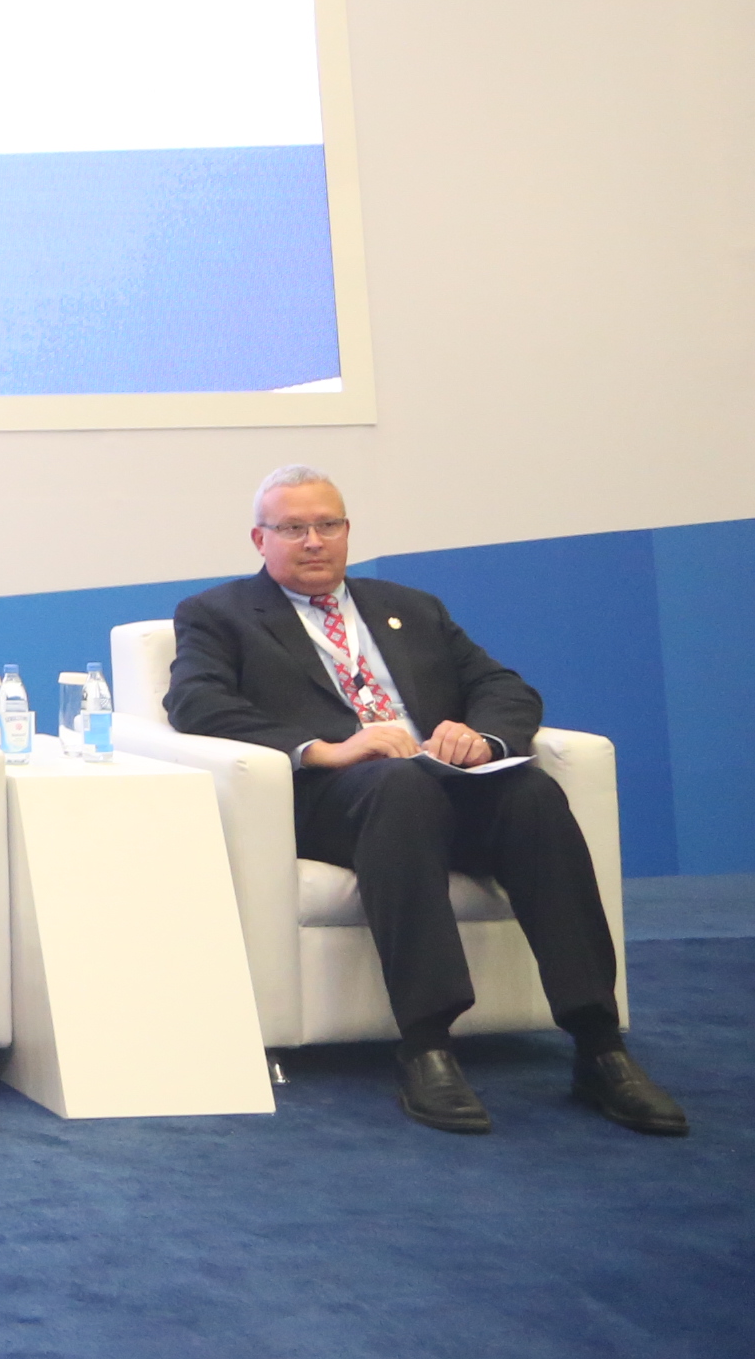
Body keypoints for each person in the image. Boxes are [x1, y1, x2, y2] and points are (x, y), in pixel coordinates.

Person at [165, 467, 686, 1136]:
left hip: (440, 781)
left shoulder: (411, 607)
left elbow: (503, 686)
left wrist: (481, 738)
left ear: (347, 531)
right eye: (293, 528)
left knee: (531, 794)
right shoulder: (219, 614)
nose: (314, 541)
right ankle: (427, 1043)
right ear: (259, 539)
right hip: (333, 799)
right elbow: (196, 703)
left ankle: (598, 1044)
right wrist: (327, 749)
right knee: (400, 788)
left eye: (327, 524)